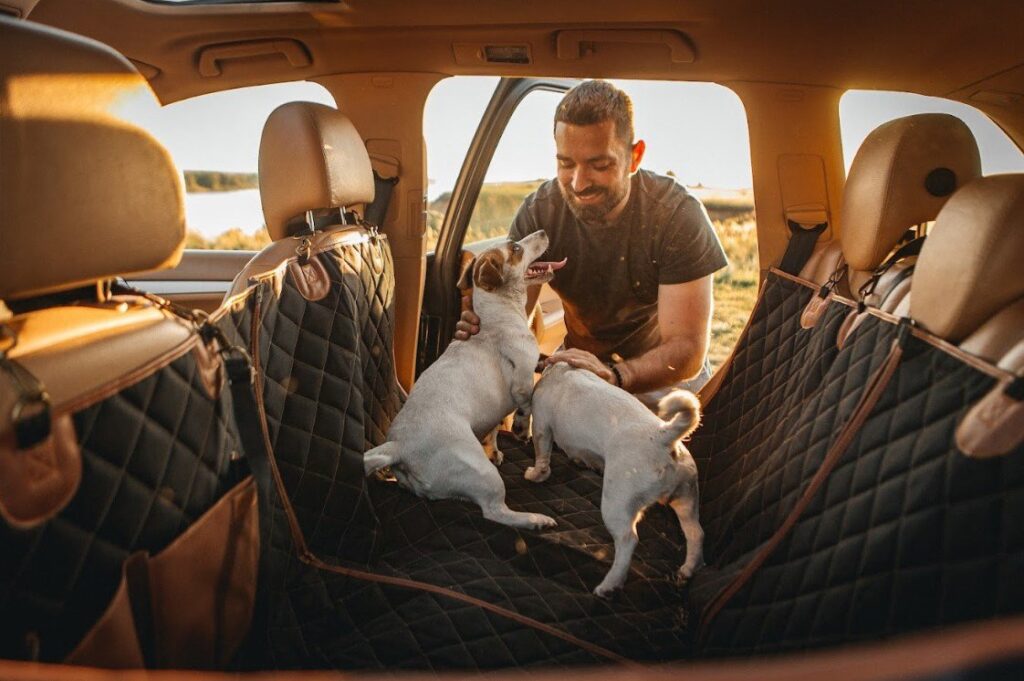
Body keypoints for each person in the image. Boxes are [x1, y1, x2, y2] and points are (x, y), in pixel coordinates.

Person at [456, 80, 727, 405]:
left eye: (600, 165)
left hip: (662, 377)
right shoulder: (539, 212)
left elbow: (687, 349)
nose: (579, 183)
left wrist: (615, 376)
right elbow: (513, 313)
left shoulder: (677, 215)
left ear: (635, 156)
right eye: (566, 163)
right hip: (579, 366)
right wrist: (486, 327)